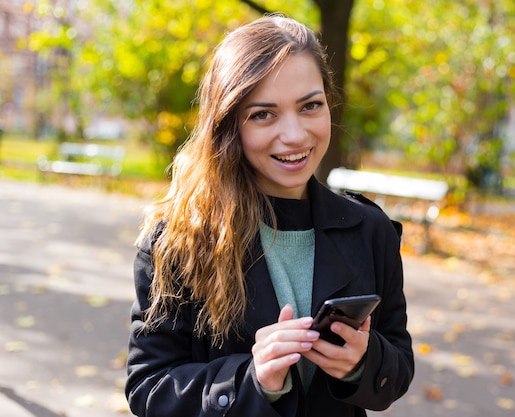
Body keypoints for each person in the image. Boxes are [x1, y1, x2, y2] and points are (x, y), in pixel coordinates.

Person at [125, 14, 414, 417]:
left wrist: (363, 363)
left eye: (310, 106)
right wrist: (251, 380)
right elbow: (149, 388)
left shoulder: (371, 230)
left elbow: (396, 373)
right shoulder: (178, 240)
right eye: (263, 114)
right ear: (228, 126)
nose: (295, 135)